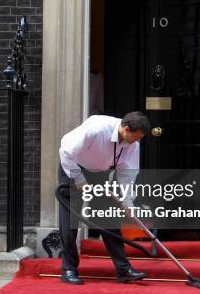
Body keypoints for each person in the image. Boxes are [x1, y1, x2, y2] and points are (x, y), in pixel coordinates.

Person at [56, 111, 151, 285]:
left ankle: (123, 270)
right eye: (135, 138)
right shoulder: (97, 128)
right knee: (70, 221)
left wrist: (128, 203)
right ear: (126, 129)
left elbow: (127, 176)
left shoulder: (132, 145)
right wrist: (80, 181)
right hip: (73, 168)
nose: (136, 142)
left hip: (99, 172)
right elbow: (66, 152)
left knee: (108, 219)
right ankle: (68, 269)